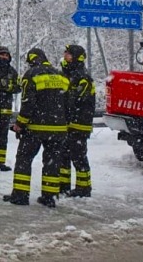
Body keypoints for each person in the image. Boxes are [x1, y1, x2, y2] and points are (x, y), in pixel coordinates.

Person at [2, 48, 69, 207]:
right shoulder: (62, 76)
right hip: (58, 128)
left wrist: (20, 123)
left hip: (36, 128)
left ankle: (20, 195)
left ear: (32, 60)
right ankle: (49, 196)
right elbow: (69, 104)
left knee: (24, 159)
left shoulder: (31, 75)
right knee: (52, 162)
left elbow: (28, 103)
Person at [59, 43, 95, 197]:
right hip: (68, 124)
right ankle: (63, 185)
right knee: (64, 155)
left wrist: (61, 98)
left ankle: (84, 188)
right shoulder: (68, 74)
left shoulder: (83, 78)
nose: (65, 55)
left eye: (68, 53)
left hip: (79, 124)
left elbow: (75, 100)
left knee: (78, 157)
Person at [0, 46, 20, 171]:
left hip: (5, 109)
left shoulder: (12, 71)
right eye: (1, 55)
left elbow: (18, 87)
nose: (4, 57)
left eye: (6, 55)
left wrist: (8, 86)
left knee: (2, 137)